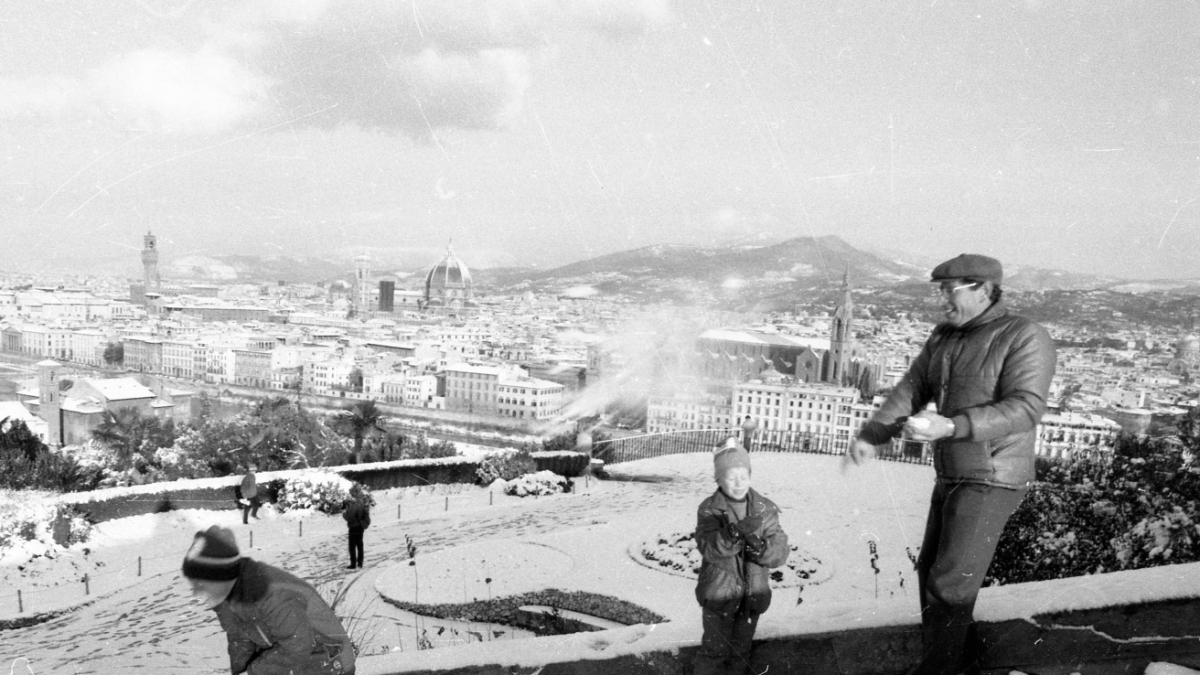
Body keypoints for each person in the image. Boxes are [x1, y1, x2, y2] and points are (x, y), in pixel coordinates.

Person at [846, 253, 1056, 675]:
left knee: (950, 584)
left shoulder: (1024, 335)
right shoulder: (946, 335)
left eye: (950, 290)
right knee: (932, 576)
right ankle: (955, 664)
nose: (943, 299)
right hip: (954, 471)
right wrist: (875, 432)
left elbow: (1026, 408)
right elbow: (913, 387)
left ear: (983, 289)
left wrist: (951, 426)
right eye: (940, 290)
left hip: (994, 475)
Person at [183, 525, 356, 675]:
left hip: (330, 661)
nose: (196, 593)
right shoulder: (225, 596)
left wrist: (252, 672)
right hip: (292, 660)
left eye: (200, 584)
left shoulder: (272, 593)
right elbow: (239, 640)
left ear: (220, 577)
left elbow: (298, 646)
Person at [693, 438, 790, 675]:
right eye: (730, 477)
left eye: (743, 476)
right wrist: (733, 533)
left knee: (740, 653)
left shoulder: (763, 508)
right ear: (719, 479)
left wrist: (761, 549)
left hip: (751, 595)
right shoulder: (710, 509)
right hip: (719, 595)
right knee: (714, 653)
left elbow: (780, 550)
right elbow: (708, 546)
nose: (738, 483)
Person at [342, 485, 371, 570]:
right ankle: (360, 563)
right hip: (361, 526)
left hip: (354, 527)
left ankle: (353, 563)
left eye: (351, 493)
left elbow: (349, 517)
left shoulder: (354, 505)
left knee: (352, 546)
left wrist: (344, 513)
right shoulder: (362, 502)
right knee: (360, 545)